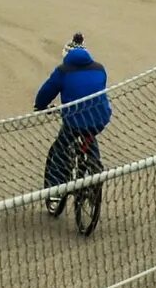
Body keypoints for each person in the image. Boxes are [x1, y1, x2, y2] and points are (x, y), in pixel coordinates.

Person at [33, 33, 112, 213]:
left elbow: (47, 91)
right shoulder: (100, 68)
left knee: (60, 148)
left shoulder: (63, 71)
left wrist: (40, 106)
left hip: (75, 120)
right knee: (89, 135)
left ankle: (56, 189)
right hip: (100, 118)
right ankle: (95, 168)